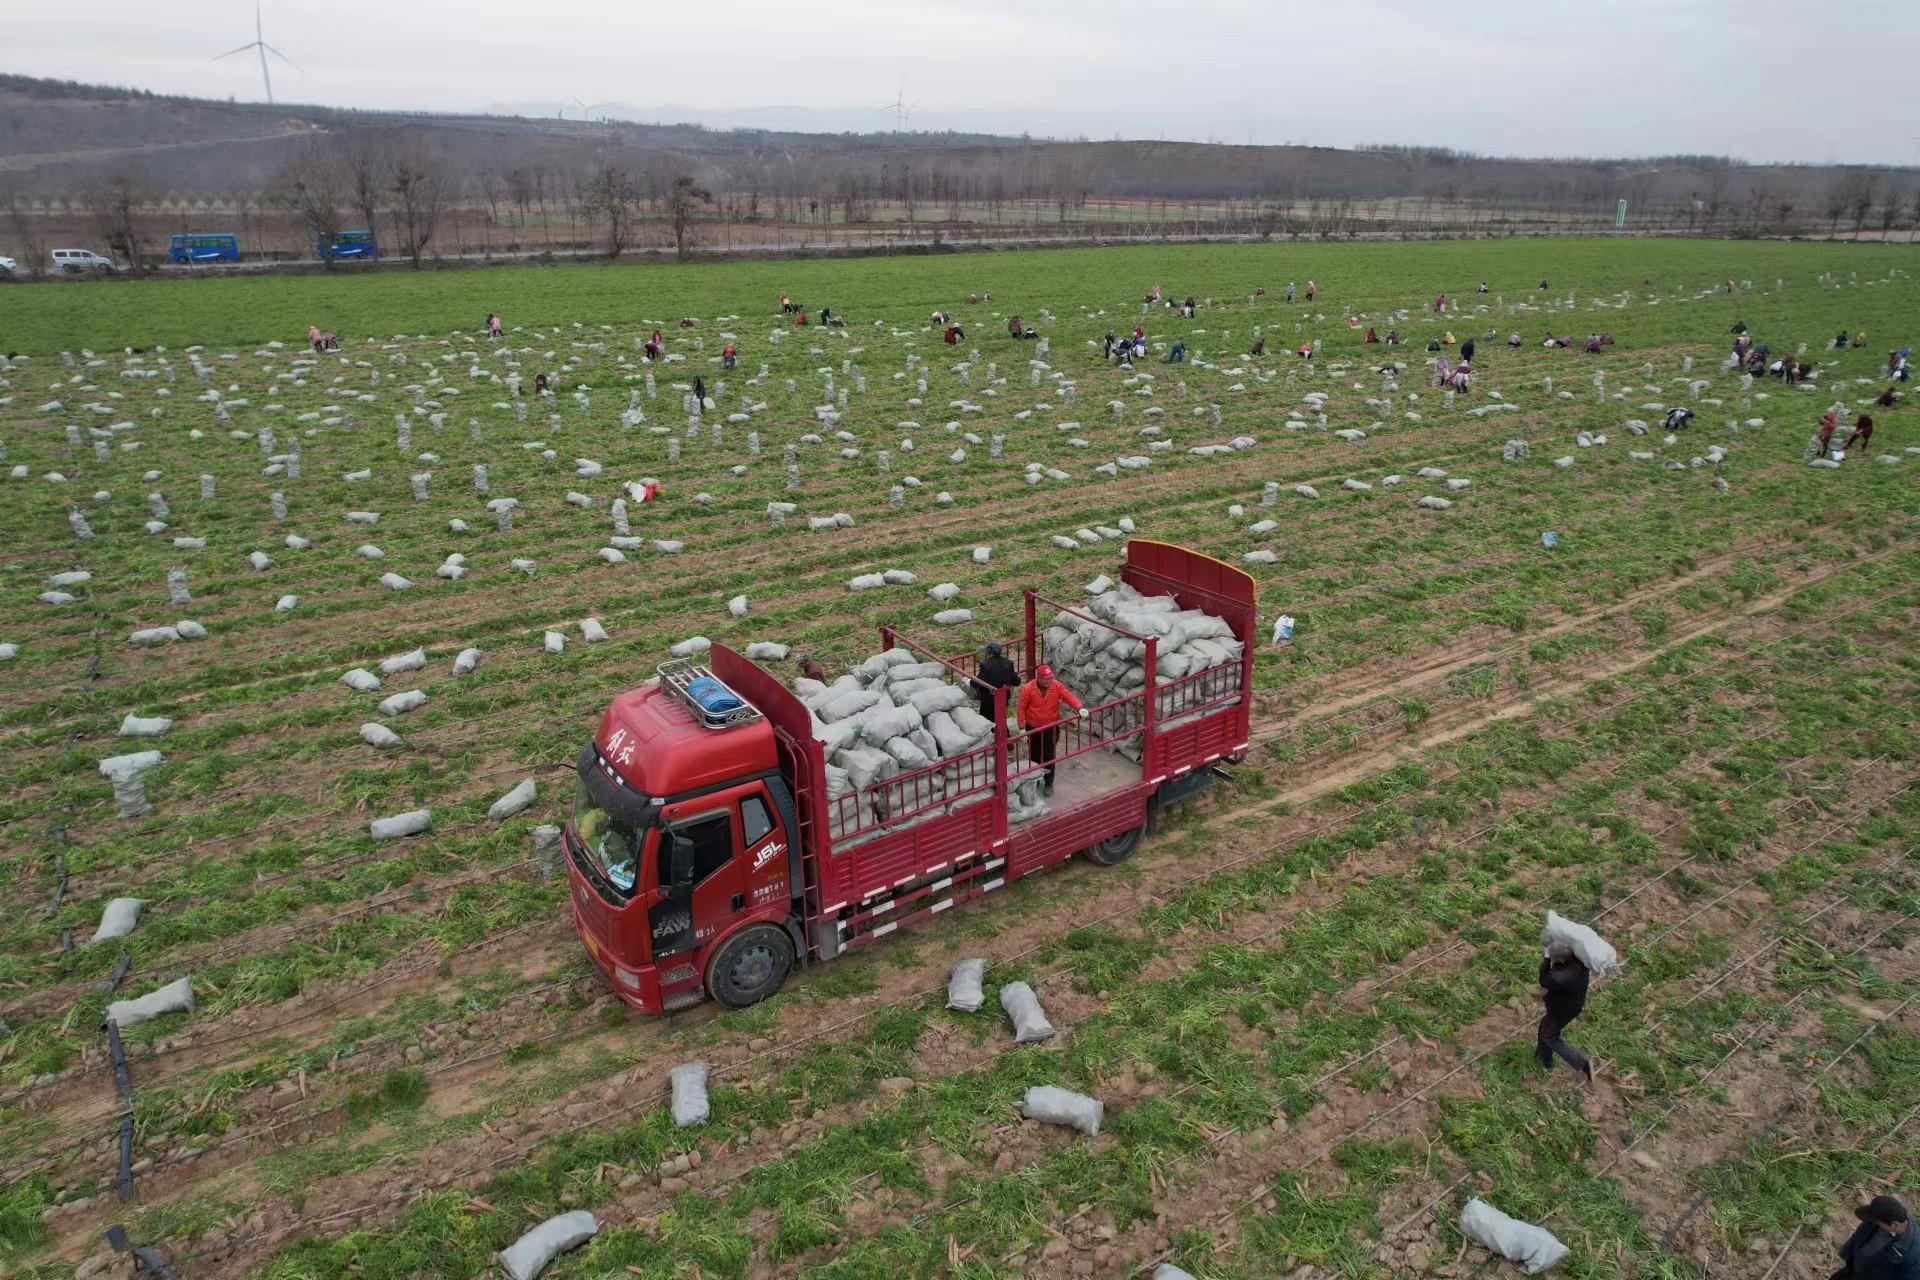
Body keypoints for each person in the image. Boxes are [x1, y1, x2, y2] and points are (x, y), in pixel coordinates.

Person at [1016, 663, 1086, 796]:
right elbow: (1021, 708)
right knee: (1035, 755)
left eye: (1050, 678)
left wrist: (1079, 707)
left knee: (1049, 755)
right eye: (1046, 679)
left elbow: (1067, 696)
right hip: (1034, 727)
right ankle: (1035, 779)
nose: (1049, 681)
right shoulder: (1028, 689)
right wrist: (1021, 728)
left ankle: (1049, 782)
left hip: (1050, 727)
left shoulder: (1056, 686)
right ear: (1039, 678)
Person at [1537, 942, 1594, 1081]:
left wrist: (1546, 961)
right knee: (1545, 1028)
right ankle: (1543, 1060)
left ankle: (1582, 1064)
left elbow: (1545, 981)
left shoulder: (1563, 978)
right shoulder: (1579, 963)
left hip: (1561, 1009)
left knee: (1548, 1035)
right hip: (1571, 1005)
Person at [1832, 1195, 1920, 1280]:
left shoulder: (1915, 1255)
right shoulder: (1880, 1217)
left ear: (1894, 1225)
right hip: (1852, 1270)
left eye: (1878, 1222)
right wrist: (1846, 1252)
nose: (1874, 1222)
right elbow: (1859, 1234)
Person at [971, 642, 1019, 721]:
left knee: (987, 721)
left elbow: (978, 681)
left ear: (989, 653)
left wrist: (970, 682)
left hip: (988, 700)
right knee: (1001, 720)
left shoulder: (985, 665)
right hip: (1003, 698)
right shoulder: (1008, 663)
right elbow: (1015, 681)